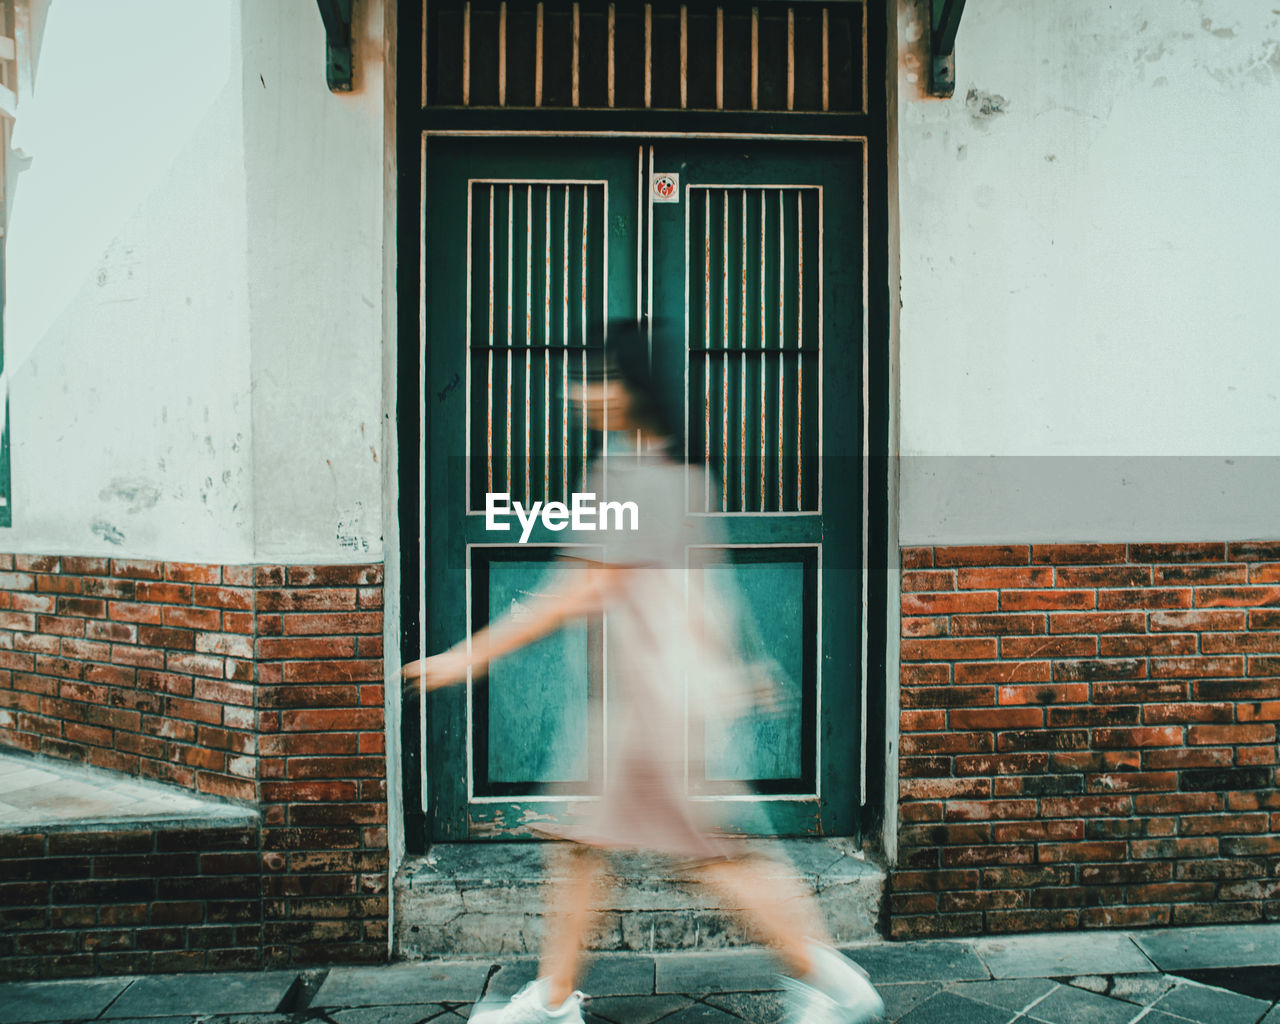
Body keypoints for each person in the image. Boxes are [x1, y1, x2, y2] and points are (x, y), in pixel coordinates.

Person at [403, 321, 883, 1024]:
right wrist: (738, 668)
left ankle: (834, 986)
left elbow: (580, 591)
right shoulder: (669, 470)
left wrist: (466, 655)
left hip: (649, 716)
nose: (581, 392)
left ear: (627, 390)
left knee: (708, 860)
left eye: (596, 378)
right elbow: (703, 588)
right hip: (647, 709)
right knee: (590, 849)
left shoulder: (629, 477)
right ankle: (555, 1002)